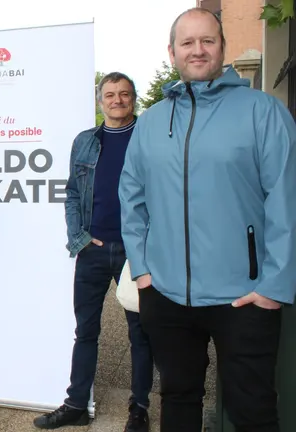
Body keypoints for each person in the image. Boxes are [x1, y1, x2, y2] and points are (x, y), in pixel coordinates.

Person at [119, 8, 296, 432]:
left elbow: (285, 201)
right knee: (178, 401)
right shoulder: (151, 122)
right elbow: (132, 198)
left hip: (244, 295)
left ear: (222, 47)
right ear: (172, 51)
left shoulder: (263, 112)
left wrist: (273, 285)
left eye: (207, 41)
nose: (198, 50)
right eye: (187, 42)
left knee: (253, 411)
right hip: (166, 295)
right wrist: (143, 273)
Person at [33, 72, 153, 432]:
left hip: (137, 252)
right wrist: (78, 237)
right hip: (93, 250)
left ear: (134, 98)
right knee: (85, 330)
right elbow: (72, 194)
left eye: (124, 94)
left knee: (140, 332)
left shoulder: (148, 137)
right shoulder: (85, 141)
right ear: (100, 101)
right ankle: (76, 404)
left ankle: (140, 407)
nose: (117, 100)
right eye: (110, 95)